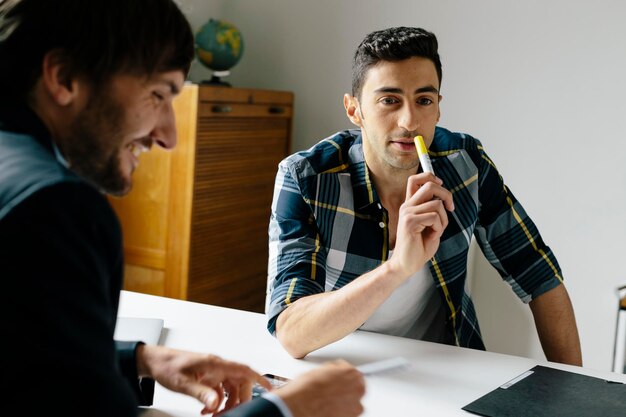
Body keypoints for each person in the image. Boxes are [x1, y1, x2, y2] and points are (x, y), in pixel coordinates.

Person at [0, 1, 365, 416]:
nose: (170, 136)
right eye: (158, 94)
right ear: (64, 78)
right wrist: (287, 408)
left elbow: (21, 360)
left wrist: (141, 360)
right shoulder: (56, 207)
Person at [266, 26, 583, 365]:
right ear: (354, 110)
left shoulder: (465, 164)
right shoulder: (306, 178)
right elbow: (291, 330)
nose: (409, 121)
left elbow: (539, 275)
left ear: (438, 109)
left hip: (446, 367)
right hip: (343, 366)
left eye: (423, 100)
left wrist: (573, 389)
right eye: (389, 100)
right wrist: (398, 267)